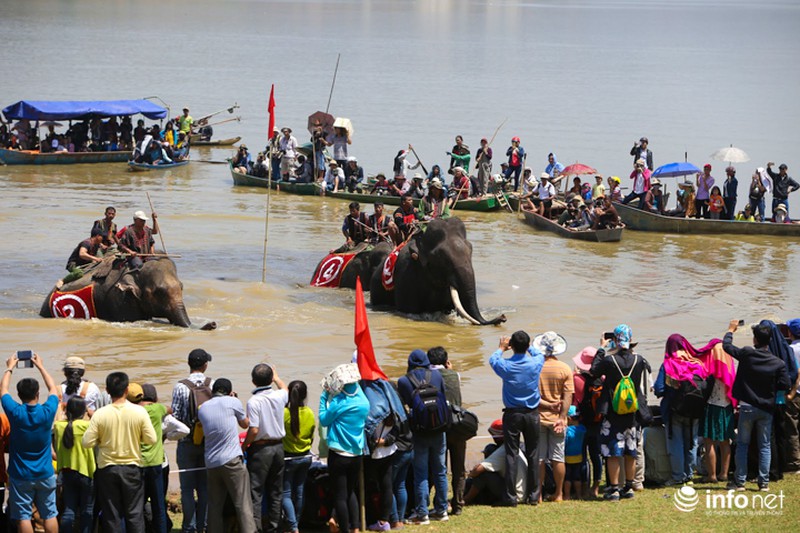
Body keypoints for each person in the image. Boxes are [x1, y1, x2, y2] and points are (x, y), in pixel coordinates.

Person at [82, 372, 157, 532]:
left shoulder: (100, 414)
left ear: (107, 391)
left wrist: (102, 440)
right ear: (127, 389)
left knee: (111, 514)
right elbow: (152, 439)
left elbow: (86, 442)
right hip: (132, 468)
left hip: (107, 469)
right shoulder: (139, 412)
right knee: (134, 514)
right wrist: (136, 437)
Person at [723, 320, 791, 491]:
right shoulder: (778, 363)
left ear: (755, 340)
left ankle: (740, 482)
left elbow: (727, 347)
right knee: (765, 446)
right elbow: (784, 385)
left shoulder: (747, 354)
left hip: (746, 406)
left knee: (743, 445)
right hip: (766, 409)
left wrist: (731, 330)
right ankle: (764, 483)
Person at [589, 324, 651, 501]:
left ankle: (614, 488)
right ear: (630, 339)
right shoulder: (639, 360)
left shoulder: (609, 361)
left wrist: (601, 348)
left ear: (615, 339)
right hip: (632, 410)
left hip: (613, 411)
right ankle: (629, 487)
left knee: (612, 451)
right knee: (630, 451)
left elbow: (594, 371)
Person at [1, 352, 60, 533]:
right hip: (45, 472)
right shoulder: (47, 411)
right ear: (37, 393)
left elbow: (3, 390)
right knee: (49, 513)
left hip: (20, 474)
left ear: (18, 395)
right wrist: (41, 366)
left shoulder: (15, 412)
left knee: (23, 516)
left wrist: (10, 367)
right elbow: (53, 390)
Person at [489, 331, 545, 506]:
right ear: (527, 346)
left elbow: (493, 360)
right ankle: (534, 496)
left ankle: (511, 497)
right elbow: (539, 353)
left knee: (511, 454)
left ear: (511, 346)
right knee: (533, 453)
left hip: (513, 414)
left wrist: (501, 348)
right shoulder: (535, 363)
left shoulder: (506, 366)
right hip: (531, 413)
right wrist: (528, 347)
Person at [197, 378, 256, 533]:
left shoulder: (202, 408)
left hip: (211, 462)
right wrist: (235, 400)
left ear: (213, 392)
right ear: (229, 392)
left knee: (215, 505)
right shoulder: (233, 402)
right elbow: (245, 424)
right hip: (232, 460)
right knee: (242, 503)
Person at [397, 350, 449, 523]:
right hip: (439, 429)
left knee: (421, 474)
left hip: (419, 432)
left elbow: (404, 406)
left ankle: (422, 513)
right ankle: (442, 511)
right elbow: (443, 396)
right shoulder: (436, 376)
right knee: (440, 471)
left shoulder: (404, 381)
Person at [319, 363, 370, 533]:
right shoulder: (363, 401)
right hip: (356, 454)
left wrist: (324, 395)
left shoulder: (339, 403)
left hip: (339, 454)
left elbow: (324, 419)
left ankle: (346, 530)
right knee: (350, 492)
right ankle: (355, 528)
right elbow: (354, 388)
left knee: (340, 496)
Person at [241, 363, 289, 533]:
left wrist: (246, 445)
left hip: (261, 449)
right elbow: (285, 388)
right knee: (276, 491)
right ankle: (274, 528)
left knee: (256, 492)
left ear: (253, 381)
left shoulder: (254, 401)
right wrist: (277, 377)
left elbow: (253, 429)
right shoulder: (279, 396)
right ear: (270, 379)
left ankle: (256, 528)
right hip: (278, 447)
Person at [171, 349, 214, 533]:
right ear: (205, 365)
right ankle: (203, 525)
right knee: (204, 488)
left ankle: (189, 527)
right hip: (207, 443)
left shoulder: (180, 386)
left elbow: (177, 416)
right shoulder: (212, 384)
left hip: (186, 442)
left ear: (189, 364)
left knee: (187, 489)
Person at [532, 331, 573, 502]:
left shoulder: (535, 367)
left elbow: (532, 395)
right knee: (558, 457)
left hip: (539, 417)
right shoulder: (565, 368)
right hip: (558, 419)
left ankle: (539, 494)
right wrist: (562, 417)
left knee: (540, 458)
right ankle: (559, 493)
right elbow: (568, 396)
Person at [428, 346, 466, 516]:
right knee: (459, 468)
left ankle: (439, 503)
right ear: (446, 361)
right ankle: (458, 504)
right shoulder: (455, 375)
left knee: (439, 467)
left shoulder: (428, 377)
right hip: (458, 425)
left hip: (439, 426)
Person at [53, 397, 95, 533]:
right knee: (87, 510)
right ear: (83, 411)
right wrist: (91, 414)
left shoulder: (59, 427)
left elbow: (56, 425)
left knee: (69, 509)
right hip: (86, 473)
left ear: (67, 410)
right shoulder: (87, 426)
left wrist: (61, 408)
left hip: (66, 472)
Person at [464, 420, 528, 505]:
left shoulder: (502, 451)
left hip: (515, 495)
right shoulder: (515, 447)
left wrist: (470, 475)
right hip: (522, 492)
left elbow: (478, 469)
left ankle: (465, 500)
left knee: (484, 474)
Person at [282, 381, 315, 533]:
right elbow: (311, 436)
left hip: (288, 458)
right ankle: (296, 523)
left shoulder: (284, 413)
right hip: (305, 457)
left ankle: (293, 526)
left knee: (286, 493)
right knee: (299, 492)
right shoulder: (309, 412)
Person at [571, 346, 603, 498]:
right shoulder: (601, 379)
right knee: (596, 455)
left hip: (581, 422)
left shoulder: (576, 379)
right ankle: (596, 487)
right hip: (597, 422)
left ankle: (584, 488)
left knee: (582, 456)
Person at [563, 406, 586, 500]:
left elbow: (565, 443)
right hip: (579, 456)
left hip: (568, 456)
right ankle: (579, 495)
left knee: (567, 478)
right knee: (577, 477)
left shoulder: (568, 431)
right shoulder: (582, 429)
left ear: (568, 418)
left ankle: (567, 495)